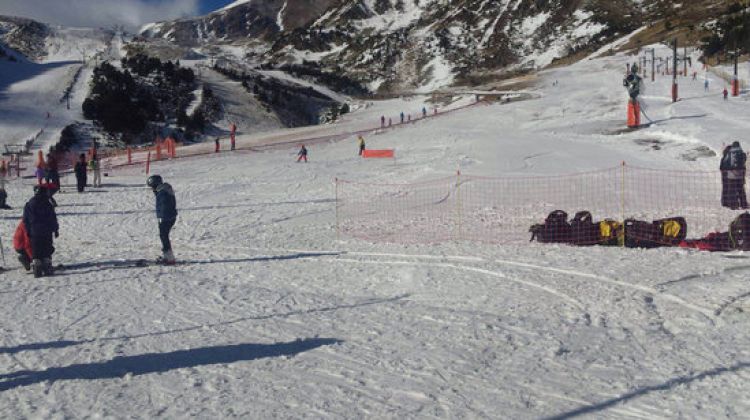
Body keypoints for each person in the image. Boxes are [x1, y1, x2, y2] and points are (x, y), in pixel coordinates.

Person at [23, 185, 59, 277]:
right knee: (46, 249)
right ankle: (47, 266)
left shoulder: (29, 204)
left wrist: (27, 230)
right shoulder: (47, 203)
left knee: (36, 250)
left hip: (34, 231)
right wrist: (55, 229)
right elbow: (52, 218)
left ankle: (37, 266)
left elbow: (25, 220)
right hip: (46, 230)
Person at [147, 175, 177, 264]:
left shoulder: (163, 192)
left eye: (152, 186)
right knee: (164, 236)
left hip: (165, 217)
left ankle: (169, 258)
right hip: (170, 216)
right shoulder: (164, 190)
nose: (152, 189)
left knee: (164, 236)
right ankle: (168, 256)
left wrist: (162, 217)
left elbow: (164, 205)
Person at [721, 141, 748, 209]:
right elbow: (744, 160)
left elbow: (725, 163)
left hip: (731, 175)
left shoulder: (729, 153)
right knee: (741, 190)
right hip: (740, 175)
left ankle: (733, 205)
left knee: (732, 190)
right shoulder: (741, 153)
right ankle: (744, 204)